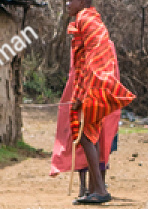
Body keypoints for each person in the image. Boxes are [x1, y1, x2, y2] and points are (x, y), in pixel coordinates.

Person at [61, 0, 135, 205]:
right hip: (91, 83)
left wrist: (84, 92)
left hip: (94, 84)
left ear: (82, 2)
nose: (67, 4)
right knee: (88, 135)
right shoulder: (86, 21)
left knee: (85, 135)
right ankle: (93, 188)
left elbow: (95, 58)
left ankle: (100, 190)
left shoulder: (87, 20)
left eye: (70, 0)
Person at [50, 38, 122, 196]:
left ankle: (96, 187)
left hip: (97, 98)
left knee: (93, 140)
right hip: (92, 98)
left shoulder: (101, 45)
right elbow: (75, 72)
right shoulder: (81, 45)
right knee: (87, 139)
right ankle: (91, 186)